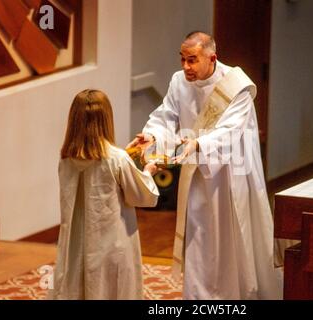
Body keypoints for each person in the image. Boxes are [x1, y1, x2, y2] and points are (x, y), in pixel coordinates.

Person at [128, 32, 281, 299]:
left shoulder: (238, 86)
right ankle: (199, 298)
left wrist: (198, 145)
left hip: (232, 175)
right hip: (199, 175)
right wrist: (153, 136)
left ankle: (238, 297)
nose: (186, 67)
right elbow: (166, 116)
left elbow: (231, 130)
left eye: (192, 60)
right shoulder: (179, 82)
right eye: (183, 60)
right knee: (200, 238)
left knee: (232, 240)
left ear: (212, 58)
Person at [49, 89, 159, 300]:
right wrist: (147, 171)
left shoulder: (66, 159)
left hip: (76, 243)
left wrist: (126, 156)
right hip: (110, 245)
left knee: (76, 285)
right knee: (110, 289)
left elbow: (98, 171)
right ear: (106, 119)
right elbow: (141, 196)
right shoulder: (116, 159)